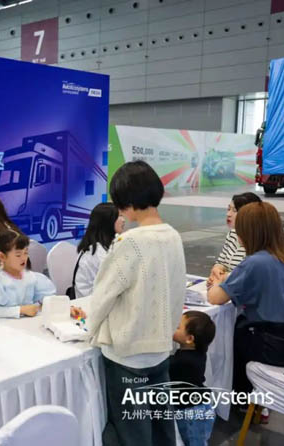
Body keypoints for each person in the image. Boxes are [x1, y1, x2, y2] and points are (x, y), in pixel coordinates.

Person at [82, 160, 186, 446]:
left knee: (133, 433)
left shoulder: (129, 241)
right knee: (162, 427)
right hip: (160, 350)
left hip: (127, 356)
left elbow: (103, 296)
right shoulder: (173, 236)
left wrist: (89, 330)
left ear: (126, 202)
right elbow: (178, 289)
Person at [207, 202, 284, 395]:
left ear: (247, 232)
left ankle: (236, 396)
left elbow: (215, 297)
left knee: (231, 334)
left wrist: (218, 281)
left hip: (274, 346)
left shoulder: (254, 263)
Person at [0, 230, 62, 318]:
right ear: (2, 256)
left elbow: (47, 299)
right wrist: (20, 310)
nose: (23, 258)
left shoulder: (32, 278)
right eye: (18, 255)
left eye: (25, 253)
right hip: (2, 324)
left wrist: (63, 307)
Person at [170, 311, 216, 446]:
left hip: (192, 412)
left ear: (190, 339)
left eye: (177, 327)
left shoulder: (184, 360)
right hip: (198, 406)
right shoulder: (198, 352)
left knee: (194, 442)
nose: (173, 328)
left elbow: (166, 366)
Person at [207, 192, 261, 287]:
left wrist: (223, 278)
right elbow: (221, 262)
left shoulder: (259, 243)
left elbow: (249, 277)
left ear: (249, 214)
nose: (228, 214)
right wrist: (216, 270)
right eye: (228, 209)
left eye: (234, 210)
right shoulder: (232, 234)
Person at [73, 203, 125, 299]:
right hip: (90, 301)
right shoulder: (95, 253)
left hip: (105, 298)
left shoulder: (111, 243)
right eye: (119, 216)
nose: (123, 220)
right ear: (107, 221)